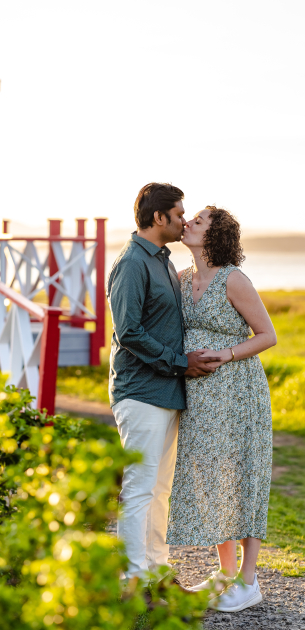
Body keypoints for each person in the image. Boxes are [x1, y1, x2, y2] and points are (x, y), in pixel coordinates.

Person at [107, 183, 219, 586]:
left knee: (159, 490)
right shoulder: (133, 263)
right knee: (139, 489)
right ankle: (133, 580)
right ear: (158, 218)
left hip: (166, 392)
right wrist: (180, 362)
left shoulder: (163, 261)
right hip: (140, 393)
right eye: (178, 213)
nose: (183, 219)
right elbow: (130, 332)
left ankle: (156, 571)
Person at [166, 205, 276, 612]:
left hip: (238, 391)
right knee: (213, 476)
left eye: (198, 220)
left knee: (243, 472)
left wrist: (227, 354)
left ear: (214, 235)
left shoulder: (234, 279)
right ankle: (225, 573)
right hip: (199, 396)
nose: (188, 223)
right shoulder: (181, 279)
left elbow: (267, 335)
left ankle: (249, 581)